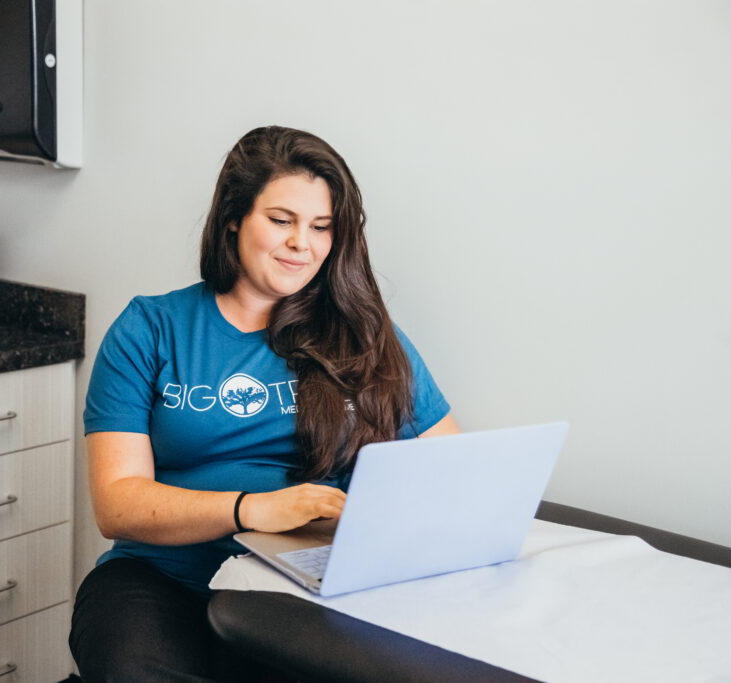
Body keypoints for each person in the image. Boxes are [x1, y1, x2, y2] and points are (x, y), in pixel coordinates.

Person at [70, 125, 459, 681]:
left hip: (311, 587)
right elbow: (118, 505)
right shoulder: (150, 329)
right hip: (162, 581)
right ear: (234, 219)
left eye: (322, 227)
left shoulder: (367, 339)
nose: (303, 243)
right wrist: (249, 508)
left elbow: (451, 470)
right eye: (282, 221)